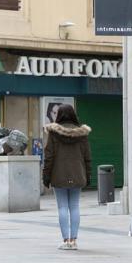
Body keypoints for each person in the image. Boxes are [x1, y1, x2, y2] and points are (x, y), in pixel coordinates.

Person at [43, 104, 91, 250]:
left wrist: (46, 177)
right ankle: (74, 241)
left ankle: (66, 241)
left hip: (59, 176)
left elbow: (49, 157)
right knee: (74, 207)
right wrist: (88, 175)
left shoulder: (53, 133)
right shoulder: (82, 134)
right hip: (78, 175)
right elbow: (87, 157)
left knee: (62, 207)